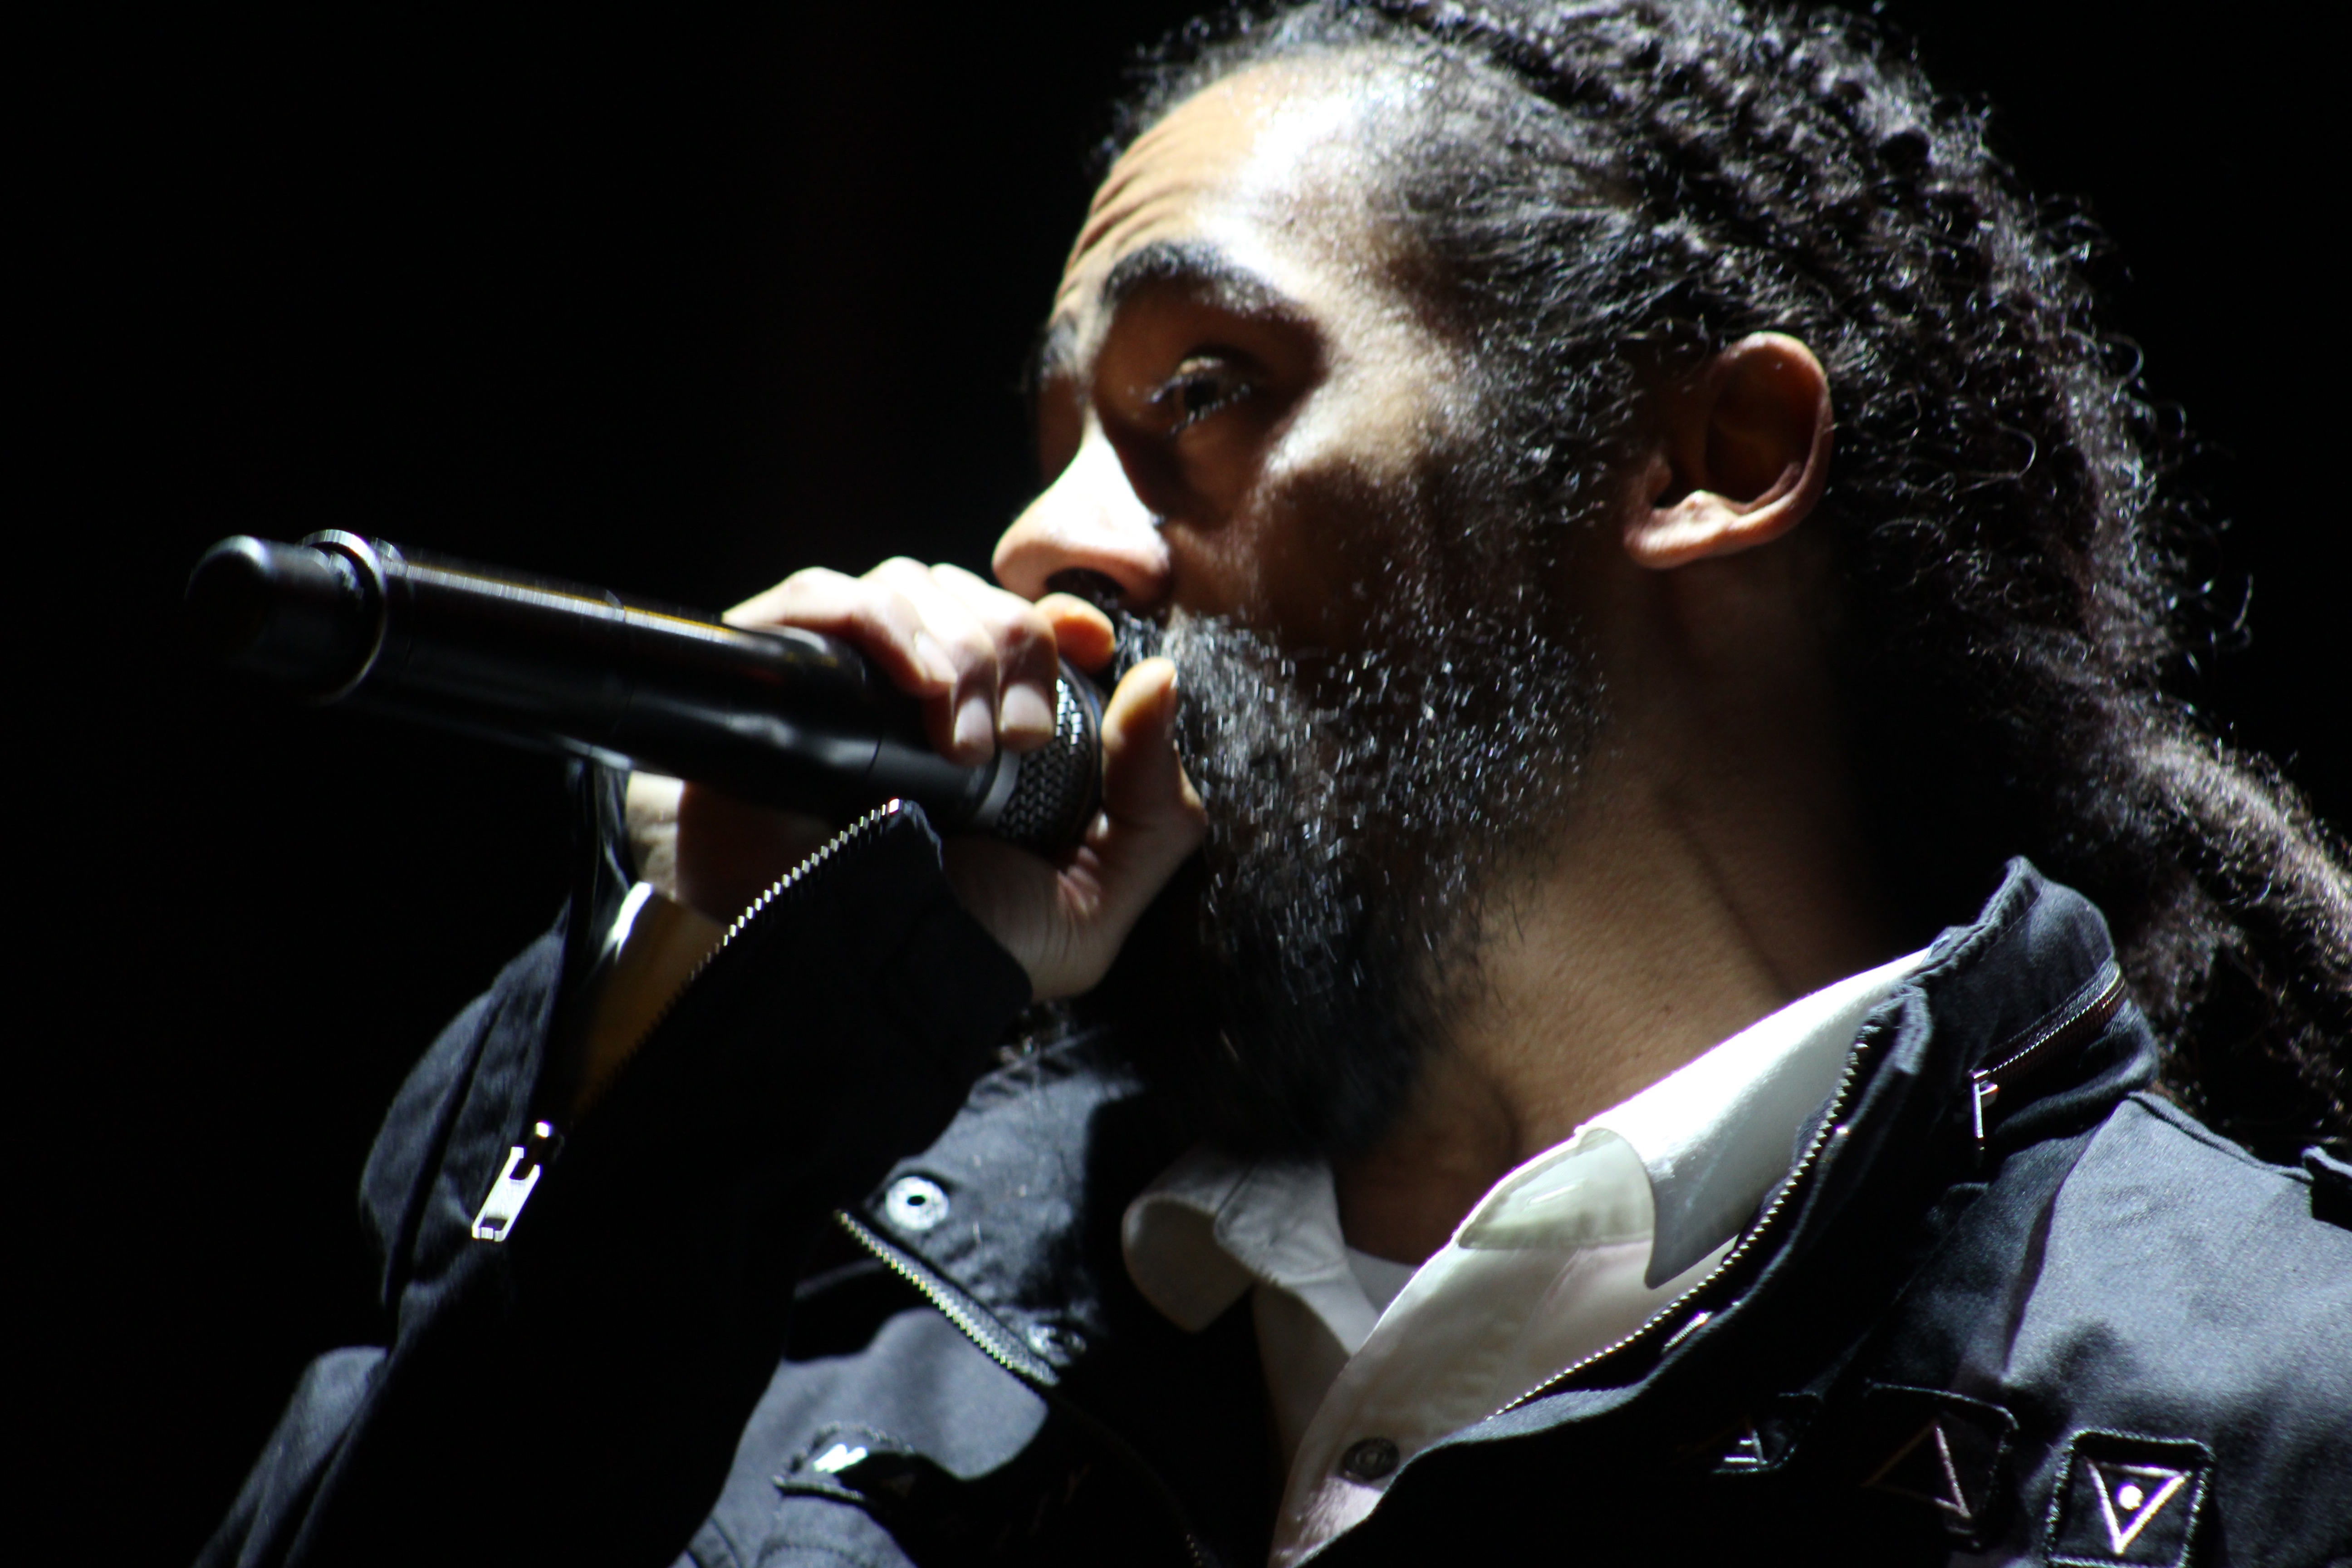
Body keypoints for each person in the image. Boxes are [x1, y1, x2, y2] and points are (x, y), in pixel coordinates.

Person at [201, 2, 2352, 1564]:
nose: (1040, 545)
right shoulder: (833, 1319)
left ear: (1702, 457)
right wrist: (691, 1045)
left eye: (1206, 389)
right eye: (1054, 443)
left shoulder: (2267, 1405)